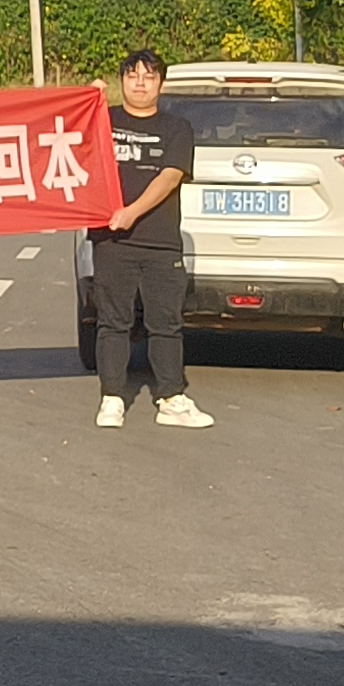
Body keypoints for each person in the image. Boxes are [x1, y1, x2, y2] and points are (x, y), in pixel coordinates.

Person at [95, 47, 210, 431]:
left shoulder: (177, 128)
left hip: (160, 242)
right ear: (121, 81)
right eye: (132, 75)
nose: (140, 83)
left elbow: (170, 176)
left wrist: (131, 212)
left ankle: (171, 398)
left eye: (148, 76)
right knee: (113, 321)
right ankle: (112, 398)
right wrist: (87, 99)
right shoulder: (102, 121)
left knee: (166, 323)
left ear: (161, 83)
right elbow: (61, 139)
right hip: (112, 241)